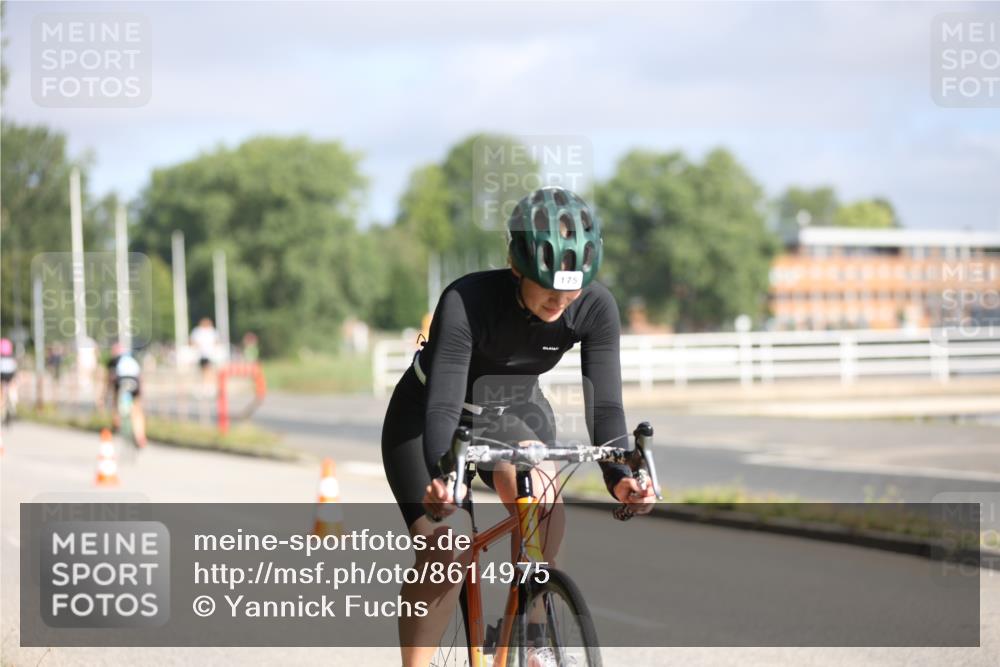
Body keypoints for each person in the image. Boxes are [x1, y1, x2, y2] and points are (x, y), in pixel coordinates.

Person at [380, 186, 656, 666]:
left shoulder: (594, 307)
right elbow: (443, 409)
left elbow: (606, 406)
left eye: (572, 287)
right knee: (447, 552)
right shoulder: (467, 301)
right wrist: (445, 480)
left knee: (544, 500)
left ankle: (532, 637)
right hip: (428, 419)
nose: (561, 299)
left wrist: (621, 476)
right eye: (548, 285)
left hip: (513, 412)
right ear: (516, 266)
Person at [104, 342, 147, 448]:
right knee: (137, 409)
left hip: (122, 381)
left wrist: (105, 395)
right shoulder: (133, 359)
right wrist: (140, 395)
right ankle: (140, 436)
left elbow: (109, 380)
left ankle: (117, 420)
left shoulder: (114, 361)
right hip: (134, 381)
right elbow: (140, 377)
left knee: (116, 398)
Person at [190, 317, 219, 385]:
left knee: (207, 370)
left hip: (209, 354)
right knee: (204, 370)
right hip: (201, 354)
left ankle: (207, 384)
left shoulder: (211, 331)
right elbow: (192, 342)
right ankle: (205, 384)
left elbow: (216, 342)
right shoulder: (198, 331)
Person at [0, 338, 18, 423]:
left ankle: (3, 413)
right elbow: (14, 368)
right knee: (12, 390)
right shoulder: (12, 356)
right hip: (10, 376)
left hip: (3, 377)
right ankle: (13, 406)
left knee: (3, 394)